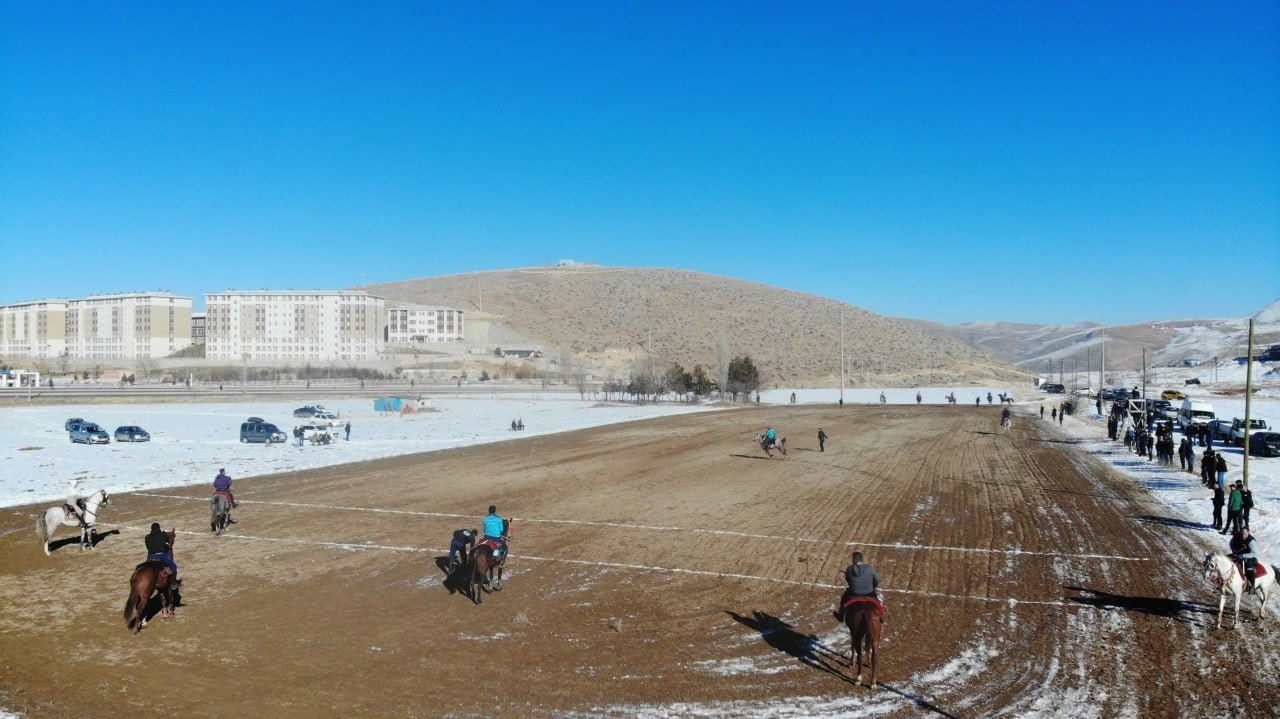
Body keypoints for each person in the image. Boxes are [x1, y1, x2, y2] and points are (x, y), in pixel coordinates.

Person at [833, 551, 884, 622]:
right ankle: (881, 615)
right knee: (877, 601)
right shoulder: (869, 568)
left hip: (853, 593)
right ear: (862, 559)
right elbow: (877, 580)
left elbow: (848, 580)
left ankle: (840, 616)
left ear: (853, 560)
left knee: (843, 599)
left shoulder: (849, 569)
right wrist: (873, 586)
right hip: (869, 592)